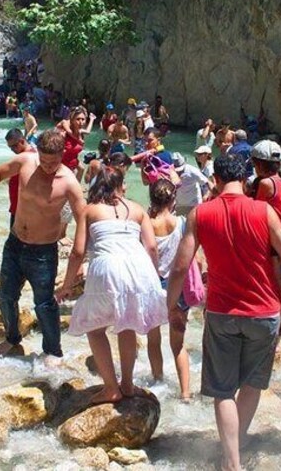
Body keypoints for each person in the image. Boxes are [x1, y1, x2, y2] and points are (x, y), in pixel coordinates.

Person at [165, 153, 281, 471]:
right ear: (246, 179)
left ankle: (232, 463)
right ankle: (233, 451)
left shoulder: (201, 213)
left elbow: (181, 266)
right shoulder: (263, 211)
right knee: (251, 384)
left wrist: (171, 307)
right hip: (264, 312)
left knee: (223, 390)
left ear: (216, 180)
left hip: (223, 311)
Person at [0, 129, 85, 357]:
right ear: (37, 152)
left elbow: (83, 220)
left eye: (53, 162)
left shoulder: (69, 183)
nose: (48, 166)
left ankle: (53, 352)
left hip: (43, 252)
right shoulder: (26, 162)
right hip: (14, 244)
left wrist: (79, 258)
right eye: (44, 160)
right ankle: (12, 339)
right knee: (5, 296)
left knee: (44, 304)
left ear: (62, 154)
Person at [56, 166, 167, 403]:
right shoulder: (137, 210)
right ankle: (127, 384)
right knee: (126, 324)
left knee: (95, 329)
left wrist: (67, 285)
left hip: (107, 267)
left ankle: (111, 388)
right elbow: (151, 247)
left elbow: (77, 252)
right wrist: (154, 277)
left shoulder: (89, 210)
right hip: (139, 267)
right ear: (119, 186)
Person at [146, 179, 199, 399]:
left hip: (152, 287)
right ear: (173, 200)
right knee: (178, 344)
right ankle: (185, 393)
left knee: (153, 339)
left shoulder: (146, 224)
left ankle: (158, 382)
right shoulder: (182, 222)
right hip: (178, 288)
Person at [250, 139, 281, 334]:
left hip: (271, 240)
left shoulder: (265, 184)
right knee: (278, 280)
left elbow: (255, 209)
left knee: (276, 281)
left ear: (259, 164)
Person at [4, 128, 37, 227]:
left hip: (23, 209)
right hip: (18, 207)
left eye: (14, 146)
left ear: (22, 141)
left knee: (14, 240)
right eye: (10, 148)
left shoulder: (29, 157)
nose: (12, 150)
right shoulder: (24, 156)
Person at [57, 105, 96, 182]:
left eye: (83, 119)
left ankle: (77, 187)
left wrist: (92, 119)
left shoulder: (80, 132)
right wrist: (79, 140)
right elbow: (68, 131)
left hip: (73, 161)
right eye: (78, 119)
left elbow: (88, 131)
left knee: (81, 169)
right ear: (72, 120)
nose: (81, 122)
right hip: (62, 165)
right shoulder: (64, 132)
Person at [172, 152, 210, 216]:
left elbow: (207, 182)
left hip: (194, 203)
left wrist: (206, 195)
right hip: (179, 204)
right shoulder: (170, 172)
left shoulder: (192, 171)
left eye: (180, 171)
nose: (179, 173)